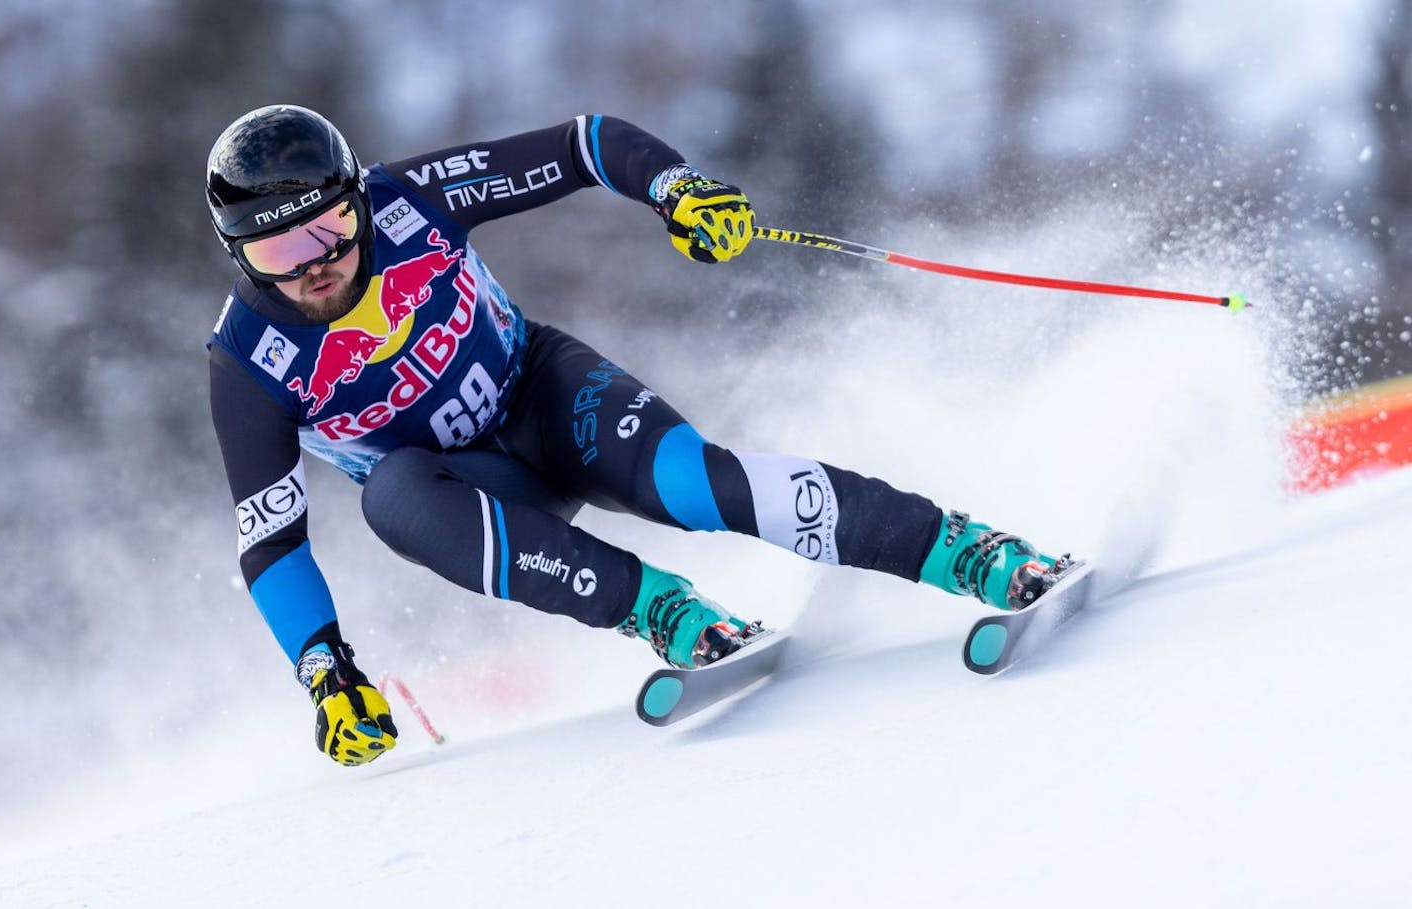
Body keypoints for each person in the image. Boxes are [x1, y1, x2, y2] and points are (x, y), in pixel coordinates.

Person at [205, 105, 1073, 766]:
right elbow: (270, 541)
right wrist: (326, 671)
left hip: (544, 395)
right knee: (390, 495)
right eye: (278, 254)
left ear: (359, 200)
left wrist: (676, 188)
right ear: (240, 258)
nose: (314, 263)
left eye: (329, 229)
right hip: (473, 488)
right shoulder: (248, 360)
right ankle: (664, 611)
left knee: (699, 487)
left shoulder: (409, 200)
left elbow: (582, 144)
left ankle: (971, 550)